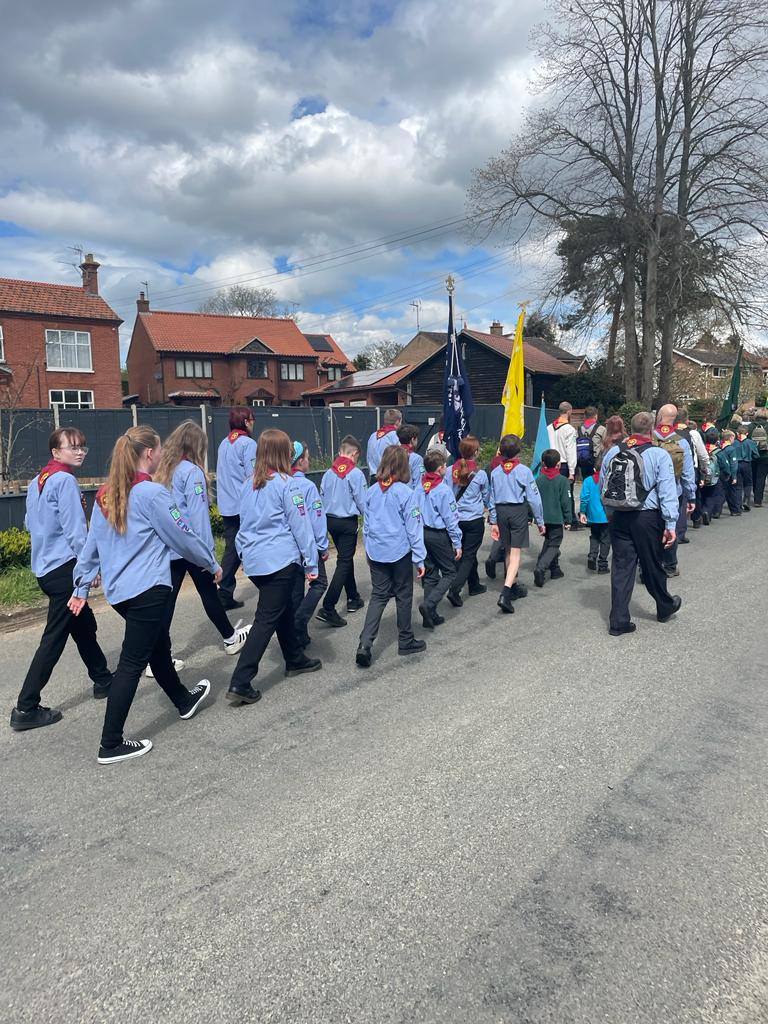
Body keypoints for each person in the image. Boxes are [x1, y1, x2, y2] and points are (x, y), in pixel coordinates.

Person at [68, 426, 221, 764]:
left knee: (157, 646)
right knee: (133, 662)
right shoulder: (152, 494)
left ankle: (183, 700)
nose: (161, 453)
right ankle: (110, 743)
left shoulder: (107, 494)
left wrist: (81, 586)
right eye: (158, 448)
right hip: (148, 589)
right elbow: (183, 535)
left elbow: (92, 546)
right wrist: (210, 563)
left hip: (120, 593)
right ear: (149, 453)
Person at [10, 428, 113, 732]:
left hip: (45, 569)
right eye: (72, 447)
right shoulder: (65, 481)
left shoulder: (36, 482)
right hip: (65, 569)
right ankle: (26, 707)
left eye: (82, 447)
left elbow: (30, 523)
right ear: (56, 452)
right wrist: (88, 569)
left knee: (82, 625)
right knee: (54, 638)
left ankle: (102, 678)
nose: (79, 452)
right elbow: (76, 531)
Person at [226, 430, 322, 705]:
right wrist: (311, 562)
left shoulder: (248, 484)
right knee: (266, 618)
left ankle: (294, 658)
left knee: (283, 608)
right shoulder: (287, 485)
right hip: (280, 561)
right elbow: (301, 526)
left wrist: (243, 554)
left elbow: (242, 525)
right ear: (283, 454)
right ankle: (241, 681)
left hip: (256, 561)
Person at [153, 420, 251, 658]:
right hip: (191, 546)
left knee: (168, 603)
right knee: (208, 593)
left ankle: (157, 655)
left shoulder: (165, 470)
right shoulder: (192, 473)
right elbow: (198, 519)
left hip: (170, 545)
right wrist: (209, 557)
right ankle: (230, 638)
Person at [599, 411, 681, 636]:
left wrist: (609, 512)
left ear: (631, 428)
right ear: (652, 429)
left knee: (622, 567)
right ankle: (664, 606)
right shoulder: (659, 454)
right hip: (647, 517)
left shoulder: (613, 452)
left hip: (619, 515)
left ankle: (619, 620)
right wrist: (670, 524)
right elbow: (667, 491)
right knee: (652, 563)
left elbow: (603, 485)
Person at [355, 445, 427, 668]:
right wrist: (420, 558)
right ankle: (405, 639)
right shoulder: (406, 493)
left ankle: (365, 643)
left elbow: (366, 525)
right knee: (404, 594)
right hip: (399, 552)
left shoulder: (372, 491)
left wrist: (368, 549)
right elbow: (414, 528)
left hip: (377, 551)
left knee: (379, 595)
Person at [488, 434, 545, 613]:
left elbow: (491, 498)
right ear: (518, 450)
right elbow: (534, 498)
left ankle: (512, 585)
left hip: (501, 512)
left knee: (507, 549)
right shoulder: (524, 471)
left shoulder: (495, 472)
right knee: (515, 553)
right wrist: (540, 520)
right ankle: (505, 593)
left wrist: (493, 520)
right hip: (517, 511)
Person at [317, 435, 367, 628]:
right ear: (354, 454)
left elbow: (321, 497)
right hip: (347, 523)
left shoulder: (328, 473)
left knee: (346, 559)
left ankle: (353, 597)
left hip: (330, 521)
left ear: (340, 452)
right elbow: (362, 501)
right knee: (344, 562)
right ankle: (328, 606)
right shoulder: (356, 474)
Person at [215, 407, 257, 610]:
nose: (253, 423)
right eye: (252, 420)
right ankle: (224, 591)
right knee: (240, 547)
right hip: (242, 504)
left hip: (227, 504)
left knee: (233, 546)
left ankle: (225, 591)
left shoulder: (224, 443)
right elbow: (252, 476)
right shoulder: (248, 444)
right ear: (246, 422)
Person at [289, 441, 329, 648]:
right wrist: (322, 546)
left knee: (296, 592)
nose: (309, 460)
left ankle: (300, 637)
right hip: (309, 544)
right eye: (307, 456)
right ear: (300, 461)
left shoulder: (282, 483)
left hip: (290, 547)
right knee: (320, 583)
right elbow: (317, 518)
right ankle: (299, 622)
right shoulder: (308, 487)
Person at [416, 448, 462, 628]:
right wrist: (457, 542)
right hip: (438, 535)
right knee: (450, 572)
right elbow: (451, 519)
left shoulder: (420, 486)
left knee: (430, 575)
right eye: (444, 465)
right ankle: (429, 604)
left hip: (422, 533)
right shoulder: (443, 490)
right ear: (440, 468)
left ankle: (430, 616)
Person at [652, 404, 696, 578]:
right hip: (674, 492)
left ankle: (649, 565)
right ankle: (670, 565)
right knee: (671, 527)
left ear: (659, 417)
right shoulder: (681, 441)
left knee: (651, 530)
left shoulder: (649, 438)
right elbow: (687, 472)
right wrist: (691, 496)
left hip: (649, 494)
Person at [447, 435, 490, 605]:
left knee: (464, 552)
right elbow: (486, 496)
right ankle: (455, 589)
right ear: (476, 452)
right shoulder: (480, 474)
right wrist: (488, 509)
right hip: (473, 519)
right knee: (469, 555)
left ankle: (474, 584)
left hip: (456, 518)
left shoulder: (450, 470)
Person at [533, 448, 572, 587]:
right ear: (558, 464)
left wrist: (531, 516)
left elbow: (533, 499)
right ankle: (541, 566)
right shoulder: (563, 481)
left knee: (549, 541)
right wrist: (568, 519)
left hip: (542, 518)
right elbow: (566, 502)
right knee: (554, 544)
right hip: (556, 518)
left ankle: (555, 569)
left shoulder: (538, 480)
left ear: (543, 463)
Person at [547, 402, 579, 528]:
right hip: (564, 464)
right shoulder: (569, 429)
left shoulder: (549, 427)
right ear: (569, 412)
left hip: (551, 463)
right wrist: (572, 471)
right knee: (568, 493)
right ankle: (571, 520)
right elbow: (570, 451)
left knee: (554, 493)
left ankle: (555, 518)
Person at [579, 464, 610, 573]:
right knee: (606, 539)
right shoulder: (608, 480)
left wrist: (582, 512)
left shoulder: (588, 480)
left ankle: (592, 555)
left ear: (594, 469)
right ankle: (602, 564)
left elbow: (584, 498)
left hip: (593, 515)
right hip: (606, 515)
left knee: (594, 536)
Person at [366, 408, 402, 479]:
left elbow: (368, 458)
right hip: (389, 477)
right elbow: (400, 457)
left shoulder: (373, 436)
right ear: (398, 421)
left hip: (374, 477)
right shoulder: (396, 436)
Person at [576, 406, 606, 479]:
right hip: (596, 461)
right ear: (596, 416)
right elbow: (605, 445)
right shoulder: (601, 429)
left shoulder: (578, 429)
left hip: (582, 461)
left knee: (586, 481)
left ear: (585, 416)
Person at [733, 425, 758, 511]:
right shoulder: (750, 442)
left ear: (737, 433)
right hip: (747, 463)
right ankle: (746, 501)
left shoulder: (734, 443)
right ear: (747, 433)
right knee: (748, 483)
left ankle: (738, 504)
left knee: (738, 485)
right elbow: (756, 455)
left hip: (736, 464)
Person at [718, 430, 742, 516]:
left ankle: (716, 511)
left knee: (720, 492)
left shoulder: (719, 447)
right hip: (728, 473)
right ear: (731, 438)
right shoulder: (731, 449)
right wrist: (734, 476)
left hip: (720, 472)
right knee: (731, 492)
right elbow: (733, 463)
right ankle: (735, 510)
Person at [748, 408, 768, 506]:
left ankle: (755, 493)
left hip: (753, 454)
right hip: (765, 455)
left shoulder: (750, 426)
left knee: (754, 476)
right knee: (761, 477)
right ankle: (758, 500)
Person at [397, 423, 425, 490]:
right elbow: (419, 480)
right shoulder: (417, 459)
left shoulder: (392, 455)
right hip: (409, 494)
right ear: (413, 439)